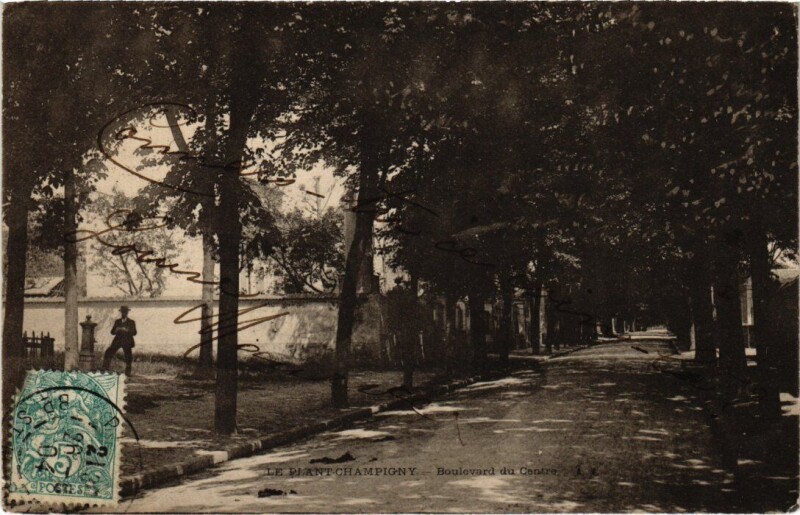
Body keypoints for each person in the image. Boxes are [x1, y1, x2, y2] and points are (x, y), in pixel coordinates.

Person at [102, 305, 137, 376]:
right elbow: (112, 332)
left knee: (128, 357)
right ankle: (105, 369)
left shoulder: (131, 322)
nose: (124, 313)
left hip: (127, 341)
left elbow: (134, 332)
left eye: (125, 312)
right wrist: (116, 330)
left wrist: (127, 330)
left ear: (127, 313)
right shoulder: (117, 321)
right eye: (122, 312)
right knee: (108, 352)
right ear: (121, 313)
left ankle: (128, 373)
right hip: (117, 341)